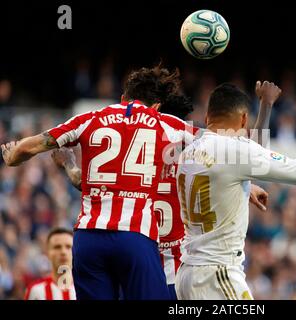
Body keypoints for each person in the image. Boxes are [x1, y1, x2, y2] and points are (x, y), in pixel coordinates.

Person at [50, 80, 280, 299]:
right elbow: (250, 157)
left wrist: (70, 165)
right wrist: (266, 105)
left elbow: (88, 185)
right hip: (174, 275)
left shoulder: (136, 173)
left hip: (133, 269)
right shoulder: (192, 168)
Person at [1, 64, 202, 300]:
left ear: (122, 97)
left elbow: (33, 144)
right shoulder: (164, 123)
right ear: (156, 106)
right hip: (135, 239)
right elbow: (221, 146)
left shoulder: (91, 118)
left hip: (89, 240)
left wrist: (13, 156)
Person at [175, 83, 296, 300]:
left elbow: (235, 167)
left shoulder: (192, 149)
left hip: (187, 274)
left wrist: (266, 106)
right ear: (243, 119)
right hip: (217, 274)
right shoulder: (235, 152)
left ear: (207, 117)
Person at [25, 228, 76, 300]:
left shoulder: (86, 289)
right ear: (47, 253)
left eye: (68, 247)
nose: (63, 252)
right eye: (57, 247)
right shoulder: (36, 291)